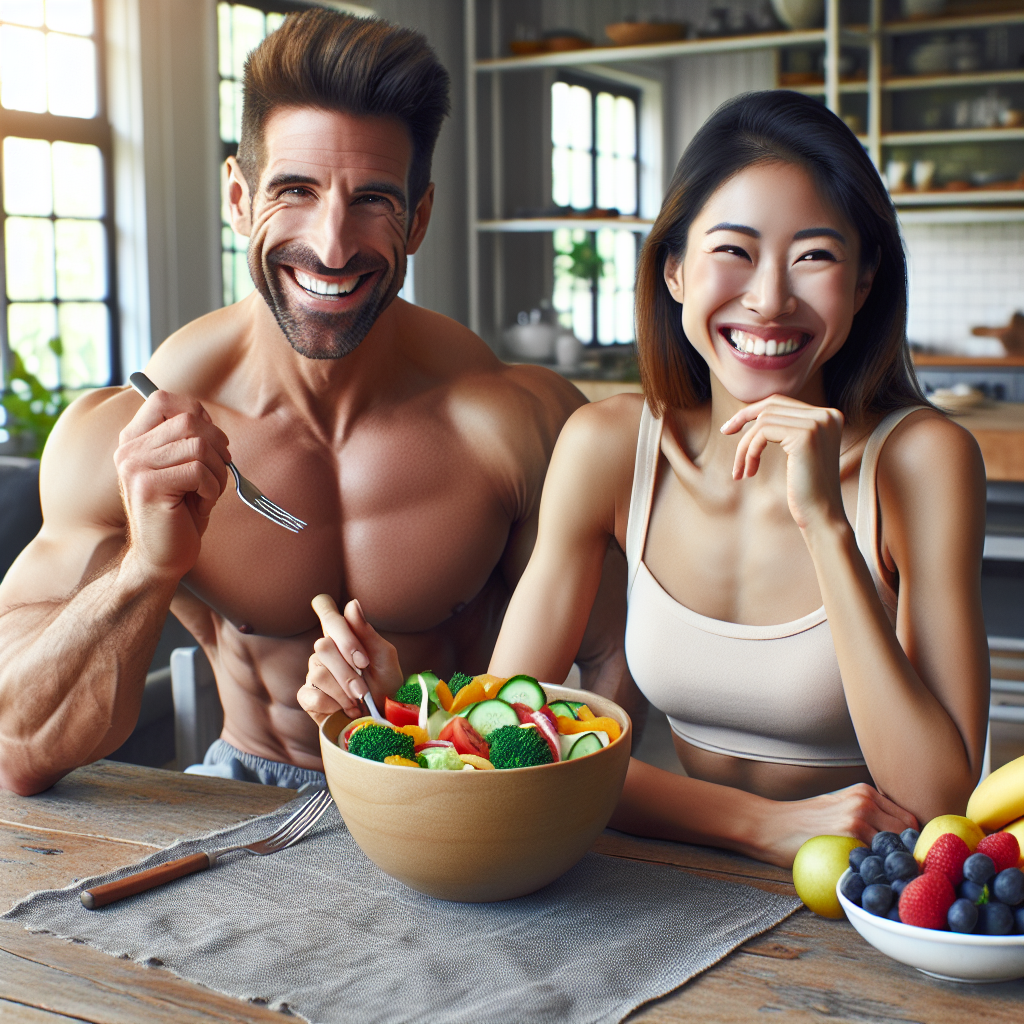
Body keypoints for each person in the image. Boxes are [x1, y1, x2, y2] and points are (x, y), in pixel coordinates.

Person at [303, 91, 990, 868]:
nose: (769, 298)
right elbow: (509, 745)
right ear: (673, 270)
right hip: (696, 875)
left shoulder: (924, 462)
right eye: (733, 251)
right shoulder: (610, 445)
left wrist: (827, 526)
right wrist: (760, 824)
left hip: (876, 893)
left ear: (863, 284)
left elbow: (941, 801)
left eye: (815, 257)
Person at [0, 9, 635, 797]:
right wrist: (146, 570)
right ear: (238, 196)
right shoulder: (130, 437)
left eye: (372, 199)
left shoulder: (517, 422)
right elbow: (18, 747)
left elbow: (613, 664)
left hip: (455, 795)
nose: (332, 246)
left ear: (420, 218)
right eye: (294, 191)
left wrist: (490, 784)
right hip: (245, 796)